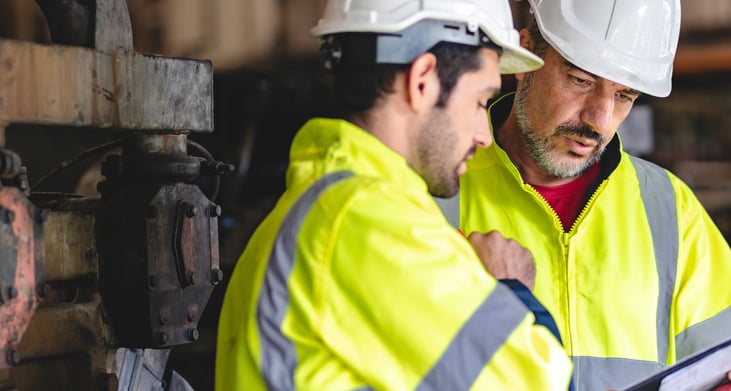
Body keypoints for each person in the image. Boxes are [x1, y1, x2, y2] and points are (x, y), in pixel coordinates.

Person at [215, 0, 575, 389]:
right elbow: (540, 383)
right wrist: (510, 289)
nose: (483, 134)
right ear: (423, 81)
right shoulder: (368, 220)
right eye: (479, 102)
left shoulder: (317, 209)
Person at [444, 0, 731, 390]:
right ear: (525, 58)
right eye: (581, 80)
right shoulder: (436, 191)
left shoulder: (671, 209)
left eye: (625, 96)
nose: (599, 119)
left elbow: (718, 364)